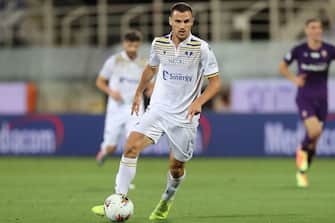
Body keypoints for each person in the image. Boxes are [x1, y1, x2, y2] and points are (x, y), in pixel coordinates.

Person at [91, 2, 222, 220]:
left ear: (192, 22)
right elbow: (151, 69)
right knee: (131, 145)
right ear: (170, 21)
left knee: (176, 167)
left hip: (184, 117)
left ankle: (166, 200)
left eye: (186, 21)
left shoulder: (202, 48)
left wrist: (199, 101)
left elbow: (216, 83)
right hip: (157, 110)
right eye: (178, 21)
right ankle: (118, 199)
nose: (182, 25)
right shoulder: (159, 43)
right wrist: (137, 93)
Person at [279, 18, 335, 188]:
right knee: (315, 130)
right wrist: (294, 79)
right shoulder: (299, 50)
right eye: (313, 27)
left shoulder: (329, 50)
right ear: (307, 30)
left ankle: (302, 172)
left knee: (315, 141)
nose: (317, 30)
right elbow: (282, 66)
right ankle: (301, 149)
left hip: (323, 99)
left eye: (319, 27)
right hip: (305, 97)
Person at [95, 30, 147, 165]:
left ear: (139, 45)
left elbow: (151, 83)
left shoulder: (144, 63)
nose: (132, 49)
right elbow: (100, 81)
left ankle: (126, 178)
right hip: (116, 107)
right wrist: (111, 92)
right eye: (130, 45)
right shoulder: (114, 61)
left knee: (133, 144)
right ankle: (104, 152)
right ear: (124, 44)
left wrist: (151, 90)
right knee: (111, 146)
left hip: (135, 107)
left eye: (135, 46)